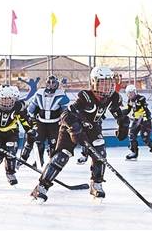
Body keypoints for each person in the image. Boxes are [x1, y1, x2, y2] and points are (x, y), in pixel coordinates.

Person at [30, 66, 129, 201]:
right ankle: (41, 187)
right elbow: (66, 115)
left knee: (100, 151)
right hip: (71, 127)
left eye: (109, 83)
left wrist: (123, 123)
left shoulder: (113, 97)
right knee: (62, 156)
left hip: (92, 128)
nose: (106, 87)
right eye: (102, 83)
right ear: (93, 82)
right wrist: (75, 129)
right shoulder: (85, 96)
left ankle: (96, 184)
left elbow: (117, 111)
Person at [0, 84, 37, 188]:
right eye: (4, 99)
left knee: (11, 152)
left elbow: (24, 120)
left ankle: (10, 173)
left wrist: (30, 130)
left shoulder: (18, 107)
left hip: (11, 133)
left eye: (9, 99)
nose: (7, 101)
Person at [19, 75, 70, 167]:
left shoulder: (61, 94)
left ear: (57, 84)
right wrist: (29, 114)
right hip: (41, 122)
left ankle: (52, 163)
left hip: (55, 123)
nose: (51, 85)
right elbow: (33, 105)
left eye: (53, 82)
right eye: (49, 82)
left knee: (53, 144)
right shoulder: (40, 93)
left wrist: (64, 119)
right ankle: (39, 161)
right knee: (38, 142)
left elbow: (65, 110)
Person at [123, 84, 152, 160]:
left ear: (135, 92)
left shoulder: (141, 98)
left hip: (145, 119)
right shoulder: (129, 101)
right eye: (128, 93)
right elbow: (128, 110)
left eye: (131, 93)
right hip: (136, 120)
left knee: (145, 137)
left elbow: (145, 109)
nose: (130, 95)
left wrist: (146, 119)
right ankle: (134, 152)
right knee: (132, 135)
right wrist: (120, 113)